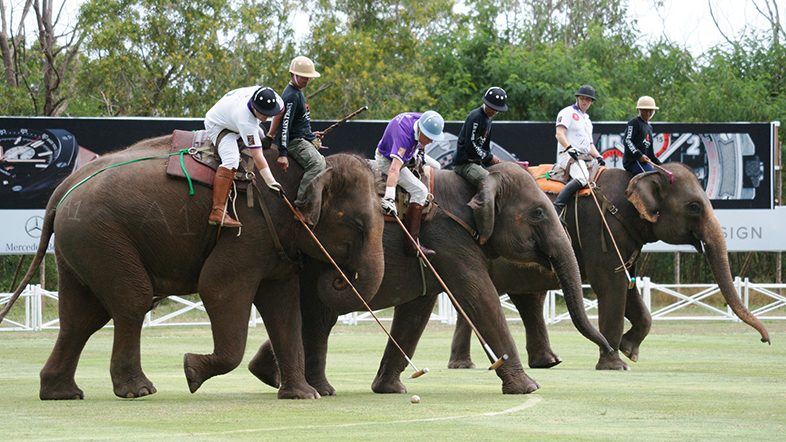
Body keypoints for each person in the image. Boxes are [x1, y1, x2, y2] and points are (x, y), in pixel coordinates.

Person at [204, 85, 284, 228]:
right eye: (263, 114)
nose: (266, 118)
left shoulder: (273, 97)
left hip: (232, 114)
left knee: (261, 134)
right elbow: (257, 155)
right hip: (220, 125)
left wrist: (270, 135)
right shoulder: (245, 121)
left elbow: (281, 109)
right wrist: (270, 181)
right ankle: (217, 211)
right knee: (231, 159)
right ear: (254, 107)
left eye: (269, 113)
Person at [377, 111, 445, 257]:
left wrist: (419, 152)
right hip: (387, 159)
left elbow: (419, 141)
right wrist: (388, 198)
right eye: (429, 138)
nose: (431, 141)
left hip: (411, 152)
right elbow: (394, 169)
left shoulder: (422, 119)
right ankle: (411, 244)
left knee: (437, 166)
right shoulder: (404, 138)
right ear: (420, 130)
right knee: (420, 191)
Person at [266, 55, 326, 207]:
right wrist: (283, 153)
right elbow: (284, 124)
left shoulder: (298, 91)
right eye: (303, 77)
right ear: (293, 74)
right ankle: (302, 203)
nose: (306, 80)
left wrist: (311, 135)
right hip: (295, 142)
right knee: (318, 165)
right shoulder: (292, 95)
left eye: (308, 78)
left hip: (302, 137)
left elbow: (298, 122)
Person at [552, 84, 605, 216]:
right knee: (582, 178)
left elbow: (589, 145)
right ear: (577, 98)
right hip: (567, 156)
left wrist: (599, 156)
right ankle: (556, 209)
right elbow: (559, 134)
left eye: (588, 99)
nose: (585, 102)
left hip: (585, 157)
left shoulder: (587, 120)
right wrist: (569, 148)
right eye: (582, 98)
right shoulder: (567, 112)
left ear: (591, 102)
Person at [453, 86, 508, 187]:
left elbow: (485, 146)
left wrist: (493, 162)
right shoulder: (476, 117)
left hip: (477, 163)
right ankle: (479, 203)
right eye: (491, 108)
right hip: (465, 164)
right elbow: (470, 146)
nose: (494, 111)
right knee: (489, 181)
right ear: (486, 103)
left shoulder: (488, 120)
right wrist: (490, 157)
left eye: (496, 109)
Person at [623, 96, 662, 175]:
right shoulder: (634, 123)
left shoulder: (649, 127)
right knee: (651, 176)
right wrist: (639, 155)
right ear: (639, 110)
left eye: (650, 111)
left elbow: (650, 152)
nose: (648, 113)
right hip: (633, 161)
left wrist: (661, 165)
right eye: (644, 110)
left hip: (644, 162)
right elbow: (627, 141)